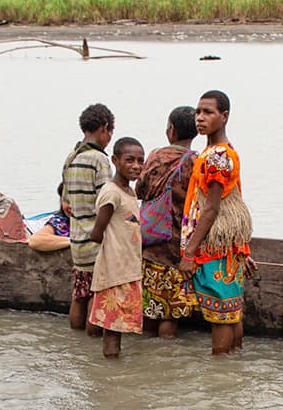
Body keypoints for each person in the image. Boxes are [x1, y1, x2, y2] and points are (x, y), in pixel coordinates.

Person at [178, 90, 254, 355]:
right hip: (227, 245)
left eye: (207, 112)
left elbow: (211, 209)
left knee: (221, 310)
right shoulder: (218, 151)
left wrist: (189, 252)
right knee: (231, 309)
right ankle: (230, 370)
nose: (200, 118)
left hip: (213, 246)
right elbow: (234, 204)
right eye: (198, 112)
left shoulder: (217, 156)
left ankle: (221, 370)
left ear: (224, 116)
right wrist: (243, 248)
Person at [136, 106, 198, 339]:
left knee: (149, 310)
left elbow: (140, 190)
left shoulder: (155, 156)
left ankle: (149, 359)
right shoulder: (196, 162)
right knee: (170, 315)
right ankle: (167, 359)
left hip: (150, 244)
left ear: (171, 129)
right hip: (178, 249)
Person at [87, 137, 147, 358]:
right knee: (112, 329)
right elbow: (97, 232)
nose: (136, 166)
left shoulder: (129, 192)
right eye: (129, 160)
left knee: (118, 326)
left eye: (141, 161)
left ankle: (111, 373)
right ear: (115, 160)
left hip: (128, 267)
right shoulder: (111, 192)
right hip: (115, 269)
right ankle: (110, 379)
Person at [62, 103, 116, 333]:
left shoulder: (71, 158)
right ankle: (93, 344)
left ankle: (78, 342)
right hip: (96, 240)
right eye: (110, 132)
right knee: (97, 295)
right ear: (104, 128)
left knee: (80, 295)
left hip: (76, 241)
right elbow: (106, 200)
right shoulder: (99, 160)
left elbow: (66, 203)